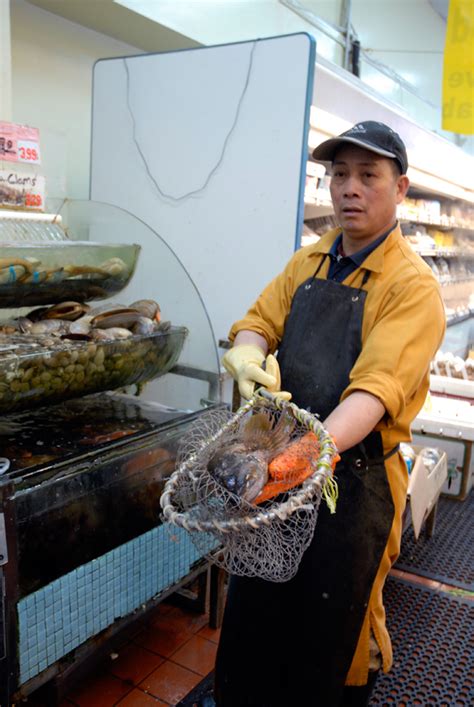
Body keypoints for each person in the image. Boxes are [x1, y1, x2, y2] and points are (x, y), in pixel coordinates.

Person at [214, 121, 446, 707]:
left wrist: (294, 462)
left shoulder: (411, 287)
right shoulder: (308, 261)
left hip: (356, 484)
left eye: (369, 175)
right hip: (279, 473)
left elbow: (371, 396)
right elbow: (259, 319)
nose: (350, 188)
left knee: (331, 638)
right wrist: (246, 351)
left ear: (401, 189)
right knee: (256, 614)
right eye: (340, 174)